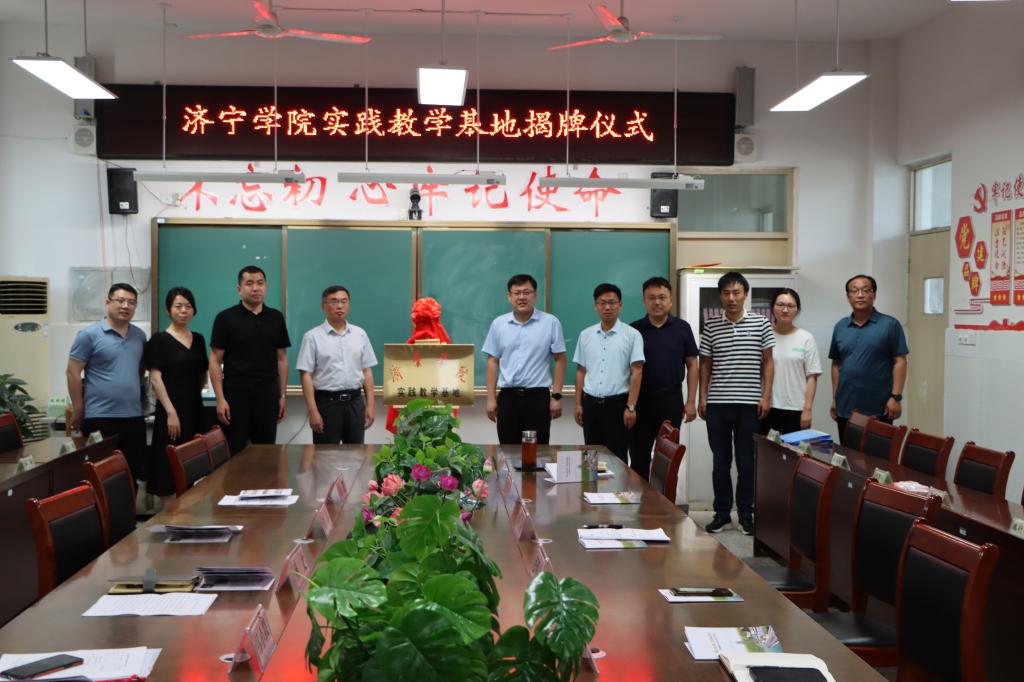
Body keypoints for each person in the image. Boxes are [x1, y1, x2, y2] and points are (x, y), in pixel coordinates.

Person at [699, 272, 774, 536]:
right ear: (720, 296)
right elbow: (705, 364)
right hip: (718, 404)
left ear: (745, 295)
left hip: (749, 404)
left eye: (736, 292)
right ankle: (722, 514)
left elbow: (768, 362)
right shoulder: (711, 326)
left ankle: (745, 514)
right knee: (720, 461)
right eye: (726, 293)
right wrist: (702, 396)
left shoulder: (761, 323)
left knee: (746, 462)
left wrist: (766, 396)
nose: (731, 298)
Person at [66, 283, 148, 482]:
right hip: (100, 416)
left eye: (131, 302)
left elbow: (140, 369)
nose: (126, 306)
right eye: (120, 300)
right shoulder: (89, 335)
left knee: (132, 475)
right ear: (107, 302)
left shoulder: (139, 336)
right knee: (102, 477)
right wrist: (78, 407)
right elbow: (72, 372)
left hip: (133, 417)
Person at [209, 265, 291, 455]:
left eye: (260, 283)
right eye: (249, 283)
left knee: (266, 452)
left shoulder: (276, 317)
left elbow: (282, 359)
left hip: (268, 393)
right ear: (239, 289)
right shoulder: (225, 318)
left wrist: (282, 396)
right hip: (236, 394)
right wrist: (220, 399)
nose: (255, 288)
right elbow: (214, 361)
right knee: (235, 451)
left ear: (266, 287)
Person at [483, 274, 567, 445]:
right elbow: (492, 361)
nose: (521, 297)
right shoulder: (498, 324)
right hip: (508, 398)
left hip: (537, 398)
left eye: (526, 292)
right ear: (509, 296)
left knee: (538, 451)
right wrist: (490, 398)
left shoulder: (551, 323)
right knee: (508, 450)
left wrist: (556, 396)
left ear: (535, 295)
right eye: (517, 293)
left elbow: (560, 359)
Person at [628, 276, 698, 480]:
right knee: (638, 457)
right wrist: (629, 405)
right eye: (651, 298)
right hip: (641, 402)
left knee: (668, 459)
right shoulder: (634, 330)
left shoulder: (682, 327)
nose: (657, 302)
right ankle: (640, 500)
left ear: (670, 300)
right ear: (644, 301)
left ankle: (665, 500)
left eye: (662, 297)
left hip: (671, 400)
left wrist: (690, 402)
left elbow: (692, 365)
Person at [829, 274, 909, 443]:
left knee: (877, 456)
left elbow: (900, 361)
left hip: (879, 408)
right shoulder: (840, 326)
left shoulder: (890, 325)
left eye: (866, 290)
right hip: (846, 407)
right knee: (848, 454)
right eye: (854, 291)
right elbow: (836, 364)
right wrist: (835, 398)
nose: (860, 295)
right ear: (848, 297)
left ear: (874, 295)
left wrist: (896, 397)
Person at [146, 287, 208, 496]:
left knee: (194, 464)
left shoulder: (198, 339)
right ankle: (170, 513)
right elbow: (155, 378)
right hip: (170, 410)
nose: (183, 310)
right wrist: (171, 412)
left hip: (194, 408)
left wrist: (193, 395)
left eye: (188, 306)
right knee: (168, 467)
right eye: (178, 306)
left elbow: (202, 373)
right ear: (168, 310)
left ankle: (190, 512)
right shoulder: (159, 340)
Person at [573, 283, 645, 463]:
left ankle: (617, 484)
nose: (607, 307)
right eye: (602, 303)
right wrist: (578, 404)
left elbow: (637, 372)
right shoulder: (585, 335)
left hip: (617, 406)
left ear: (620, 305)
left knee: (617, 459)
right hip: (590, 405)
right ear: (595, 306)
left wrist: (631, 407)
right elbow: (581, 371)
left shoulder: (632, 335)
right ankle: (591, 484)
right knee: (591, 458)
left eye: (612, 302)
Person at [297, 285, 377, 444]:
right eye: (334, 301)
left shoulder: (360, 334)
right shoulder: (312, 337)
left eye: (344, 301)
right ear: (323, 306)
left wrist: (370, 405)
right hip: (327, 404)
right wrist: (313, 411)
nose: (339, 306)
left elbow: (367, 370)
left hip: (355, 402)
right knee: (325, 455)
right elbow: (306, 375)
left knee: (356, 453)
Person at [758, 289, 821, 436]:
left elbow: (812, 377)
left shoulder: (806, 338)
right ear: (772, 308)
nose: (785, 310)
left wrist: (807, 409)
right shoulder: (763, 336)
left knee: (794, 450)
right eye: (780, 305)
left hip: (796, 409)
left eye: (790, 306)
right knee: (766, 450)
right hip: (767, 406)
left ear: (797, 310)